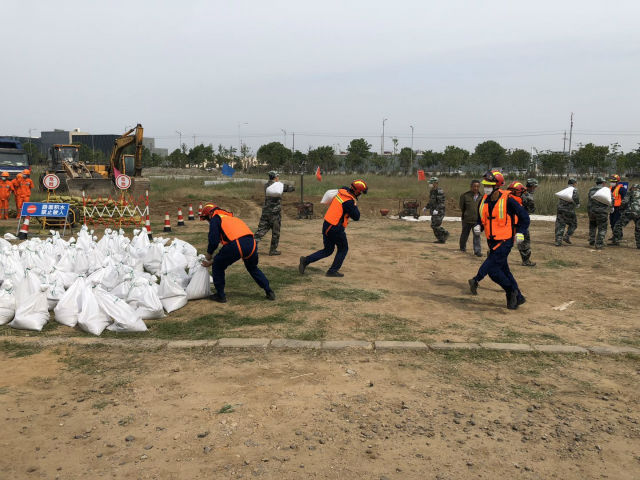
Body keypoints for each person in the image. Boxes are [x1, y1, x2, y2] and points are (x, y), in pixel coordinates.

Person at [468, 170, 530, 310]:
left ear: (497, 186)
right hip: (492, 241)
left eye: (489, 185)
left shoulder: (509, 200)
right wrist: (479, 226)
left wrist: (520, 232)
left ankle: (510, 290)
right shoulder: (483, 200)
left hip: (505, 241)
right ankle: (517, 297)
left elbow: (525, 218)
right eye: (485, 185)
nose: (486, 187)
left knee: (493, 271)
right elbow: (481, 219)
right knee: (504, 270)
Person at [199, 203, 275, 303]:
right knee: (252, 268)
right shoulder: (231, 218)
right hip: (252, 243)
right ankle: (269, 291)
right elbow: (225, 251)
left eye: (206, 219)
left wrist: (209, 254)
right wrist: (214, 259)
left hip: (237, 244)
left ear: (209, 214)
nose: (208, 221)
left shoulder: (215, 218)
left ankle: (220, 295)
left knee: (218, 266)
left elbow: (214, 240)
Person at [298, 179, 367, 277]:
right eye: (361, 193)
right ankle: (332, 271)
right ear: (356, 192)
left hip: (327, 224)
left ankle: (305, 260)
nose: (361, 195)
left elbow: (344, 187)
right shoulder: (349, 202)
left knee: (328, 250)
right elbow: (357, 217)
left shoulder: (342, 192)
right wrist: (355, 204)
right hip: (335, 228)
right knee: (343, 248)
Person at [254, 170, 295, 256]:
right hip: (275, 213)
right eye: (278, 176)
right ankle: (273, 250)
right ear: (275, 177)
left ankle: (251, 247)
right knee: (276, 232)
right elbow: (291, 188)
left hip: (266, 212)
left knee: (261, 230)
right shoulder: (279, 186)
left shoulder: (266, 186)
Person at [610, 183, 640, 249]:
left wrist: (621, 209)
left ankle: (616, 240)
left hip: (629, 212)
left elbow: (624, 202)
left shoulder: (630, 193)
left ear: (632, 188)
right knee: (638, 229)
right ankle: (639, 245)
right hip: (639, 213)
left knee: (618, 225)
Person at [587, 177, 612, 250]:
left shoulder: (591, 189)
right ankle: (599, 244)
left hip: (592, 211)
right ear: (603, 183)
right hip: (602, 212)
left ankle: (592, 240)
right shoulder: (606, 190)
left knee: (592, 225)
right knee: (602, 228)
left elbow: (589, 200)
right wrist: (611, 207)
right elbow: (611, 199)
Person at [458, 179, 482, 256]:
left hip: (477, 220)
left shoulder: (482, 197)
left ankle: (477, 251)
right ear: (471, 187)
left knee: (477, 236)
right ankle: (462, 247)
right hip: (467, 219)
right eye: (474, 186)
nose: (476, 188)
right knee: (464, 235)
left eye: (477, 186)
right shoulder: (465, 196)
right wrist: (466, 214)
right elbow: (462, 207)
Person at [518, 178, 538, 266]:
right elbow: (532, 210)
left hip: (514, 219)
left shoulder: (520, 192)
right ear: (532, 186)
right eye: (535, 186)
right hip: (522, 221)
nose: (535, 188)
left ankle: (492, 252)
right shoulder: (528, 196)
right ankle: (526, 261)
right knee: (525, 240)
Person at [554, 178, 580, 246]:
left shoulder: (564, 189)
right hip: (569, 210)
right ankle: (567, 236)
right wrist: (577, 204)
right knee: (574, 224)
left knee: (560, 225)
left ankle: (558, 241)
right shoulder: (574, 190)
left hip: (560, 209)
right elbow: (575, 197)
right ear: (574, 183)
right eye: (575, 183)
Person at [426, 177, 449, 243]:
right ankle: (441, 239)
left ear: (435, 183)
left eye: (431, 183)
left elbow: (441, 202)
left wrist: (436, 210)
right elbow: (431, 201)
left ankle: (445, 233)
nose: (430, 184)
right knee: (433, 225)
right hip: (433, 212)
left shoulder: (439, 191)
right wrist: (426, 207)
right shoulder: (432, 191)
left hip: (439, 211)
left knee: (435, 225)